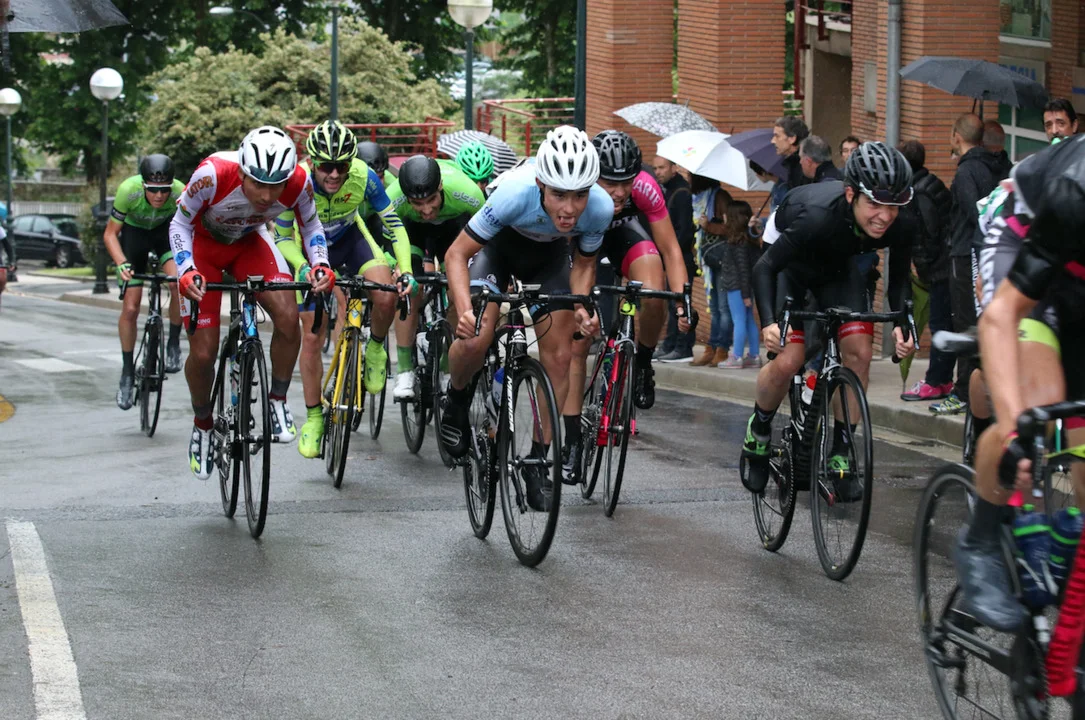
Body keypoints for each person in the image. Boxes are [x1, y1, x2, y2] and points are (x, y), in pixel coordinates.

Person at [440, 126, 611, 510]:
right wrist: (465, 310)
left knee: (561, 356)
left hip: (548, 260)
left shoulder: (600, 208)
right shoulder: (514, 194)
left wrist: (581, 306)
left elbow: (584, 264)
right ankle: (457, 398)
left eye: (580, 195)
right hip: (498, 251)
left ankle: (537, 461)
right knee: (476, 337)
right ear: (540, 184)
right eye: (559, 195)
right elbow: (456, 254)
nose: (570, 209)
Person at [954, 134, 1085, 632]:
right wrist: (1013, 427)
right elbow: (1002, 316)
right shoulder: (1075, 194)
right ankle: (981, 539)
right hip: (1024, 237)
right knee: (1037, 412)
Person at [740, 142, 916, 499]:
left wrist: (903, 324)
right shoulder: (817, 215)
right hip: (789, 267)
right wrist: (769, 323)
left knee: (859, 354)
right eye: (875, 204)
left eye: (893, 206)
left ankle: (841, 452)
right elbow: (765, 267)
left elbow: (899, 282)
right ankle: (758, 432)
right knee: (789, 360)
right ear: (851, 195)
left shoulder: (902, 222)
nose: (885, 216)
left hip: (837, 269)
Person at [172, 126, 334, 479]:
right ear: (243, 172)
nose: (266, 195)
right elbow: (179, 225)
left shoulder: (299, 182)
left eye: (276, 186)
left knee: (289, 317)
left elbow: (311, 227)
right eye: (258, 184)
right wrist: (185, 269)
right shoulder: (212, 174)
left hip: (249, 243)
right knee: (203, 353)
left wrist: (320, 263)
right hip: (203, 247)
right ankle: (202, 424)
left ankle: (277, 399)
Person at [273, 121, 413, 459]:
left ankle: (375, 349)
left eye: (342, 165)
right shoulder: (295, 182)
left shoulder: (364, 176)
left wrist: (406, 268)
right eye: (326, 166)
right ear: (312, 162)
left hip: (349, 239)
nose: (334, 174)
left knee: (386, 294)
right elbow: (281, 237)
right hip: (306, 249)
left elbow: (395, 225)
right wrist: (302, 267)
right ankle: (314, 419)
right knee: (312, 334)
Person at [386, 156, 485, 401]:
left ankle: (446, 364)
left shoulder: (467, 193)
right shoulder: (393, 198)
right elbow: (384, 241)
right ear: (406, 197)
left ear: (440, 187)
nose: (427, 209)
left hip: (454, 231)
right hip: (411, 232)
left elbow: (487, 236)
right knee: (409, 288)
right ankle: (405, 369)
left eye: (431, 199)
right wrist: (396, 267)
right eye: (417, 203)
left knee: (459, 292)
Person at [930, 114, 1005, 415]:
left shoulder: (966, 172)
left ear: (956, 137)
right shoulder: (994, 165)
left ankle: (963, 392)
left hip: (966, 255)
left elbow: (976, 214)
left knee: (966, 325)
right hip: (987, 253)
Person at [102, 154, 187, 410]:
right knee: (131, 308)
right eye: (153, 190)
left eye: (164, 190)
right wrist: (121, 263)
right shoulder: (128, 191)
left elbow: (189, 228)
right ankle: (127, 372)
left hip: (164, 234)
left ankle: (173, 343)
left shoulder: (181, 191)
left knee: (177, 283)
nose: (159, 196)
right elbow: (110, 234)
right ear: (143, 185)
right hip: (134, 237)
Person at [896, 140, 954, 402]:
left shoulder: (920, 192)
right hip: (945, 266)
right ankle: (942, 379)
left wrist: (925, 266)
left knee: (941, 324)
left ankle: (936, 381)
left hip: (942, 269)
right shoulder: (929, 183)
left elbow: (930, 233)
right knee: (943, 323)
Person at [651, 155, 697, 362]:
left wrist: (669, 250)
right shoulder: (669, 191)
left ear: (674, 168)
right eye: (655, 168)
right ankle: (671, 344)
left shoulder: (681, 193)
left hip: (681, 256)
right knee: (673, 303)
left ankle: (682, 346)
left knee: (680, 302)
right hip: (673, 255)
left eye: (662, 168)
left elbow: (685, 230)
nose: (658, 172)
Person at [714, 200, 760, 369]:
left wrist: (745, 294)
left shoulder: (738, 243)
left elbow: (743, 270)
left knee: (739, 320)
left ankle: (736, 356)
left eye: (727, 213)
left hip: (737, 288)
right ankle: (754, 355)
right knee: (748, 320)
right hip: (743, 287)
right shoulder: (748, 240)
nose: (724, 216)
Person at [693, 182, 734, 367]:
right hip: (711, 260)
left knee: (723, 308)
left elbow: (731, 227)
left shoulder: (720, 197)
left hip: (724, 259)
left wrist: (708, 225)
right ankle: (711, 348)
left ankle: (722, 349)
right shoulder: (703, 200)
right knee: (714, 307)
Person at [772, 115, 811, 195]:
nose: (773, 141)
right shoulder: (792, 164)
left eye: (777, 136)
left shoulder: (804, 167)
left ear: (792, 139)